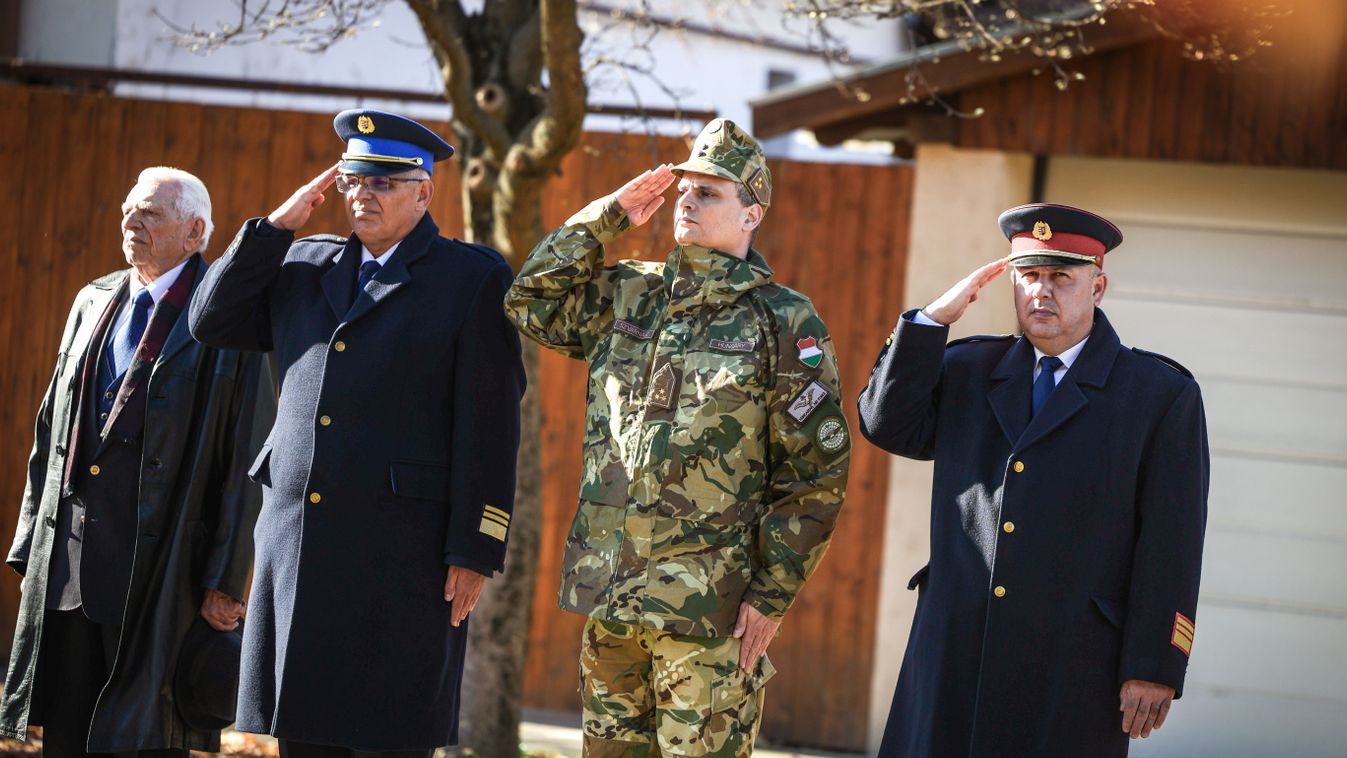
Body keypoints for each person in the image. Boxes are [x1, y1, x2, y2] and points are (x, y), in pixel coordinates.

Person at [505, 118, 850, 756]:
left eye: (710, 192)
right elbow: (530, 299)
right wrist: (607, 216)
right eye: (686, 188)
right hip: (611, 599)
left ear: (753, 213)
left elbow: (814, 476)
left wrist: (771, 597)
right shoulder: (629, 293)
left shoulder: (782, 320)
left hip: (708, 614)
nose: (688, 200)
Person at [187, 109, 525, 758]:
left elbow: (491, 422)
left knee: (387, 735)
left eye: (381, 183)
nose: (360, 195)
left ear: (423, 192)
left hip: (402, 561)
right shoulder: (302, 265)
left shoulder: (470, 279)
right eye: (350, 182)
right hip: (301, 550)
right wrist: (273, 229)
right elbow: (211, 320)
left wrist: (476, 548)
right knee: (304, 737)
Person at [859, 203, 1210, 757]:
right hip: (956, 652)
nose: (1041, 292)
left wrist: (1154, 664)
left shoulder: (1158, 395)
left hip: (1072, 664)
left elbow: (1172, 541)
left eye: (1061, 278)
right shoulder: (967, 369)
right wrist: (930, 323)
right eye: (1029, 276)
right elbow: (885, 425)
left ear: (1098, 287)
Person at [0, 167, 276, 757]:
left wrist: (225, 582)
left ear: (195, 231)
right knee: (67, 735)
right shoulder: (92, 298)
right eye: (128, 209)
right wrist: (31, 543)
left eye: (150, 213)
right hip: (71, 567)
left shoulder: (228, 318)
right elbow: (51, 430)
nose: (132, 222)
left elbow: (244, 462)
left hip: (163, 572)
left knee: (146, 740)